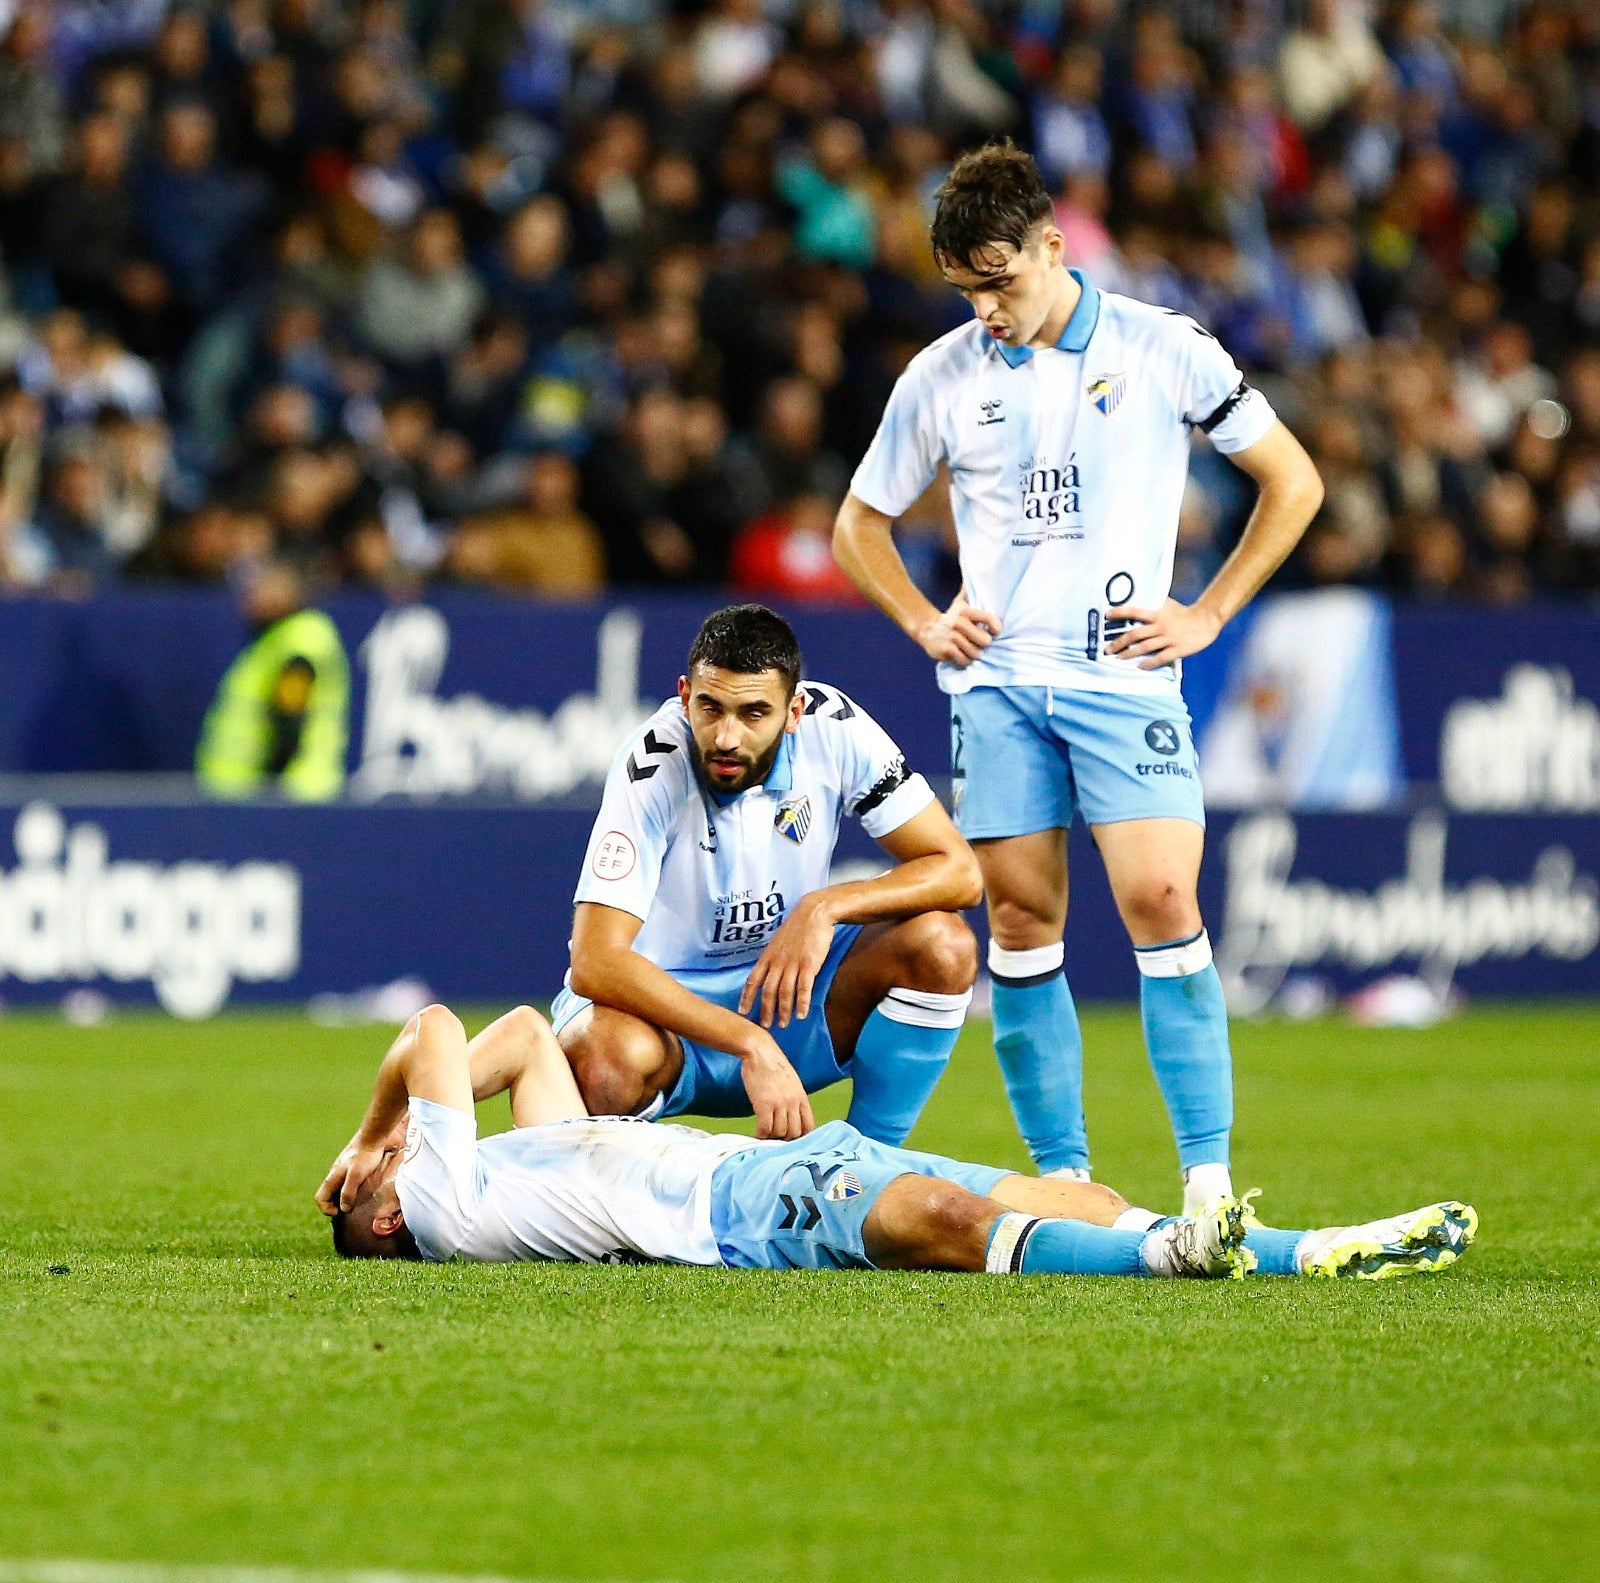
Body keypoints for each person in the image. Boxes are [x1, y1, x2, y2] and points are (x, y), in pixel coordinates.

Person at [832, 142, 1326, 1215]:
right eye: (965, 290)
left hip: (1123, 676)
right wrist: (923, 619)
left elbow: (1292, 479)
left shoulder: (1163, 347)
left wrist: (1207, 613)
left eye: (1000, 281)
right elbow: (855, 524)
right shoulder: (941, 375)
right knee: (1017, 924)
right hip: (998, 687)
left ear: (1055, 246)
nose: (986, 310)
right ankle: (1063, 1172)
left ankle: (1207, 1180)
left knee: (1160, 896)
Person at [315, 1001, 1478, 1285]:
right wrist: (374, 1133)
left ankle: (1298, 1246)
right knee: (950, 1221)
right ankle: (1185, 1257)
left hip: (780, 1163)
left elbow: (519, 1033)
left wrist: (399, 1125)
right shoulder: (448, 1203)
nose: (386, 1164)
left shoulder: (513, 1175)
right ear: (382, 1216)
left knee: (1066, 1192)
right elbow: (427, 1027)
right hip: (746, 1215)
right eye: (376, 1184)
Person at [555, 602, 982, 1146]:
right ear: (685, 695)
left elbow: (960, 873)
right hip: (665, 1021)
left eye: (754, 713)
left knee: (943, 945)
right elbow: (595, 962)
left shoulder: (837, 730)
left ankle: (859, 1171)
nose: (727, 737)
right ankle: (619, 1220)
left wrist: (824, 907)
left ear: (795, 710)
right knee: (604, 1059)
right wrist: (747, 1041)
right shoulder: (653, 763)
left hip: (790, 999)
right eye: (710, 708)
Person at [195, 559, 350, 800]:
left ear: (290, 589)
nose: (253, 593)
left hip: (293, 799)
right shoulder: (274, 640)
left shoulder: (301, 642)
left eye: (265, 585)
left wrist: (269, 793)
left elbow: (290, 720)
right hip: (253, 798)